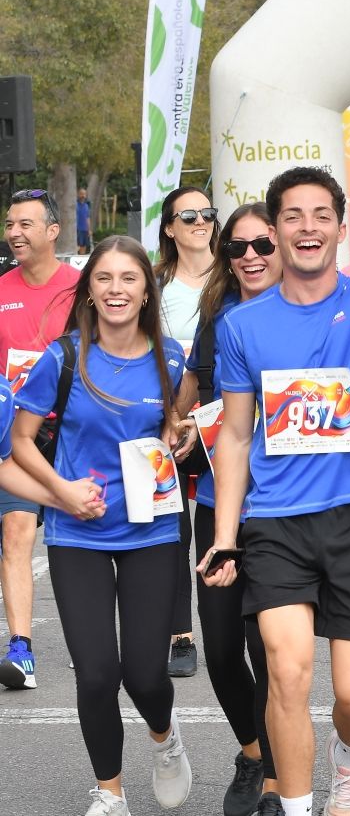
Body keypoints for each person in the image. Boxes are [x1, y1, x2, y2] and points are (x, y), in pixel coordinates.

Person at [201, 93, 350, 816]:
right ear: (274, 231)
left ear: (341, 228)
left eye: (321, 215)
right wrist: (224, 538)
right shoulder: (244, 326)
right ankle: (300, 806)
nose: (307, 227)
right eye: (292, 216)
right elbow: (237, 437)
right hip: (275, 526)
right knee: (286, 669)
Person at [11, 235, 193, 816]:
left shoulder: (171, 361)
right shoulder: (61, 358)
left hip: (151, 532)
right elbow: (19, 442)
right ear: (88, 290)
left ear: (146, 291)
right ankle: (110, 792)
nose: (116, 289)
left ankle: (164, 738)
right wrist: (61, 493)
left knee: (144, 675)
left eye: (129, 279)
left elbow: (174, 427)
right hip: (77, 533)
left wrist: (180, 436)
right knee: (94, 674)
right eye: (104, 279)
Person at [185, 203, 284, 816]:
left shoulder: (306, 312)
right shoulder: (217, 316)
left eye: (260, 246)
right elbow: (191, 392)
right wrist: (177, 427)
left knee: (267, 647)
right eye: (237, 248)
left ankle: (276, 777)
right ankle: (251, 752)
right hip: (212, 499)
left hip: (279, 508)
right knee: (220, 650)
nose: (249, 257)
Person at [0, 188, 80, 691]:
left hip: (74, 427)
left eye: (25, 224)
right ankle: (20, 649)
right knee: (16, 531)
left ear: (53, 231)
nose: (14, 233)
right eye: (10, 224)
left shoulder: (83, 286)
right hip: (17, 430)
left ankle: (92, 640)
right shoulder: (0, 286)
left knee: (82, 537)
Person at [154, 184, 219, 678]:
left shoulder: (237, 274)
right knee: (172, 526)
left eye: (207, 213)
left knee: (222, 518)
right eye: (188, 215)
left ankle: (229, 616)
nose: (200, 221)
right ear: (170, 228)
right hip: (167, 415)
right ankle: (180, 633)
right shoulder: (153, 285)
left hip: (224, 415)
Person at [76, 187, 92, 254]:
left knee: (84, 246)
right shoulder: (75, 205)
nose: (83, 196)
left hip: (85, 229)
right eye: (81, 194)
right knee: (77, 246)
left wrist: (89, 230)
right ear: (78, 194)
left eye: (84, 194)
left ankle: (81, 262)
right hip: (77, 229)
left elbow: (87, 218)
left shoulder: (86, 206)